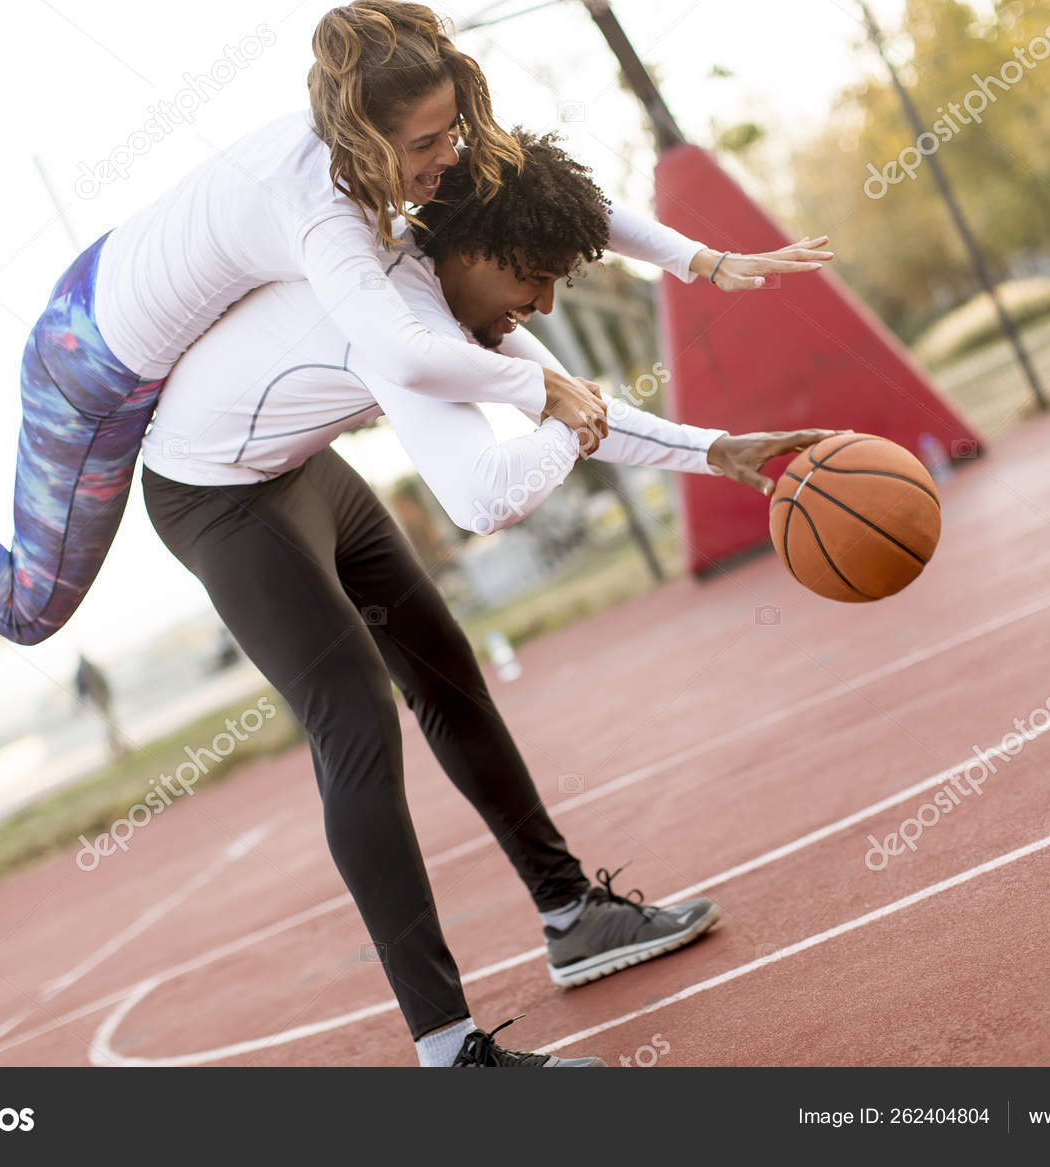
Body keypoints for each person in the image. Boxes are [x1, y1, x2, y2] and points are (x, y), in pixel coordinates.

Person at [0, 1, 827, 647]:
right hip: (91, 366)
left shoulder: (416, 174)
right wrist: (545, 392)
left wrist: (702, 259)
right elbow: (398, 359)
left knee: (486, 355)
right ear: (374, 140)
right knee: (29, 610)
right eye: (430, 145)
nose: (450, 159)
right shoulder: (323, 214)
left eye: (451, 136)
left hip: (126, 299)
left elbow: (535, 186)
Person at [142, 128, 841, 1067]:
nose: (543, 304)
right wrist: (570, 418)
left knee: (445, 671)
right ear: (473, 249)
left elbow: (568, 400)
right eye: (534, 280)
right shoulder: (399, 322)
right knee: (354, 719)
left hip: (300, 469)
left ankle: (571, 915)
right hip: (213, 495)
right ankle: (448, 1054)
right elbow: (486, 498)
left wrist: (716, 449)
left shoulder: (461, 292)